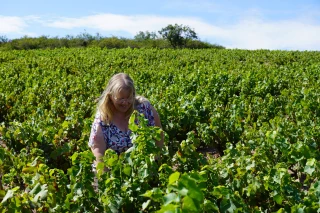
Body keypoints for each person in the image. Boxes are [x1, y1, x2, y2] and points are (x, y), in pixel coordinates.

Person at [88, 73, 163, 169]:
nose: (125, 102)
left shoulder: (145, 109)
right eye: (121, 98)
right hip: (112, 170)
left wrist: (155, 161)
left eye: (128, 97)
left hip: (143, 168)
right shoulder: (103, 118)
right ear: (111, 96)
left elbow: (159, 134)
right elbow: (98, 153)